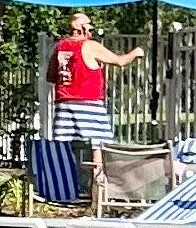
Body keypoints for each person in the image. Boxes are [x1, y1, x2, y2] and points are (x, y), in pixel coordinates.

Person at [47, 9, 143, 146]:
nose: (91, 33)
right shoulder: (90, 46)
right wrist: (136, 53)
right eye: (89, 29)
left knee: (64, 149)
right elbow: (120, 61)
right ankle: (97, 168)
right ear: (82, 29)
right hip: (88, 105)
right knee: (98, 147)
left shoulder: (60, 47)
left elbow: (50, 77)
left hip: (63, 105)